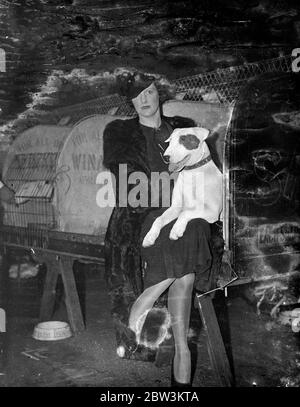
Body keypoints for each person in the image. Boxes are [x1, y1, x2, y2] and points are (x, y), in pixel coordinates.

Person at [103, 74, 223, 386]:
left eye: (149, 91)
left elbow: (205, 167)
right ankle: (182, 351)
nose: (144, 99)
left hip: (187, 212)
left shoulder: (181, 124)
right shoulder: (118, 131)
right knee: (188, 237)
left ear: (159, 93)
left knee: (192, 231)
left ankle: (155, 298)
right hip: (143, 213)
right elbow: (124, 175)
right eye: (137, 95)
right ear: (130, 102)